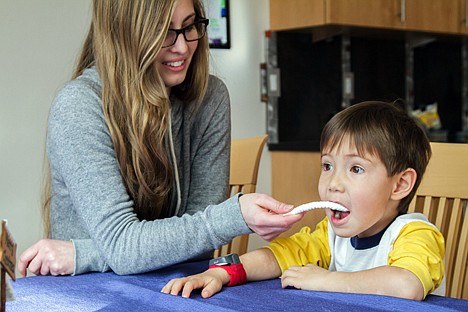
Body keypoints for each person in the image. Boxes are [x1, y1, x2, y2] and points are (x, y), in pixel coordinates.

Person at [18, 0, 302, 277]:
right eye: (164, 32)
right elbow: (124, 247)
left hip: (173, 286)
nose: (182, 47)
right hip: (89, 292)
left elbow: (198, 248)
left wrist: (86, 254)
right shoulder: (79, 105)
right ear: (125, 35)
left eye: (190, 26)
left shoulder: (210, 98)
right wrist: (233, 215)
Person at [161, 101, 445, 301]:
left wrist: (325, 281)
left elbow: (406, 284)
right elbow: (279, 256)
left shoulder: (414, 234)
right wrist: (225, 273)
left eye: (355, 169)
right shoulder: (330, 234)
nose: (333, 183)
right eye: (327, 166)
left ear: (400, 184)